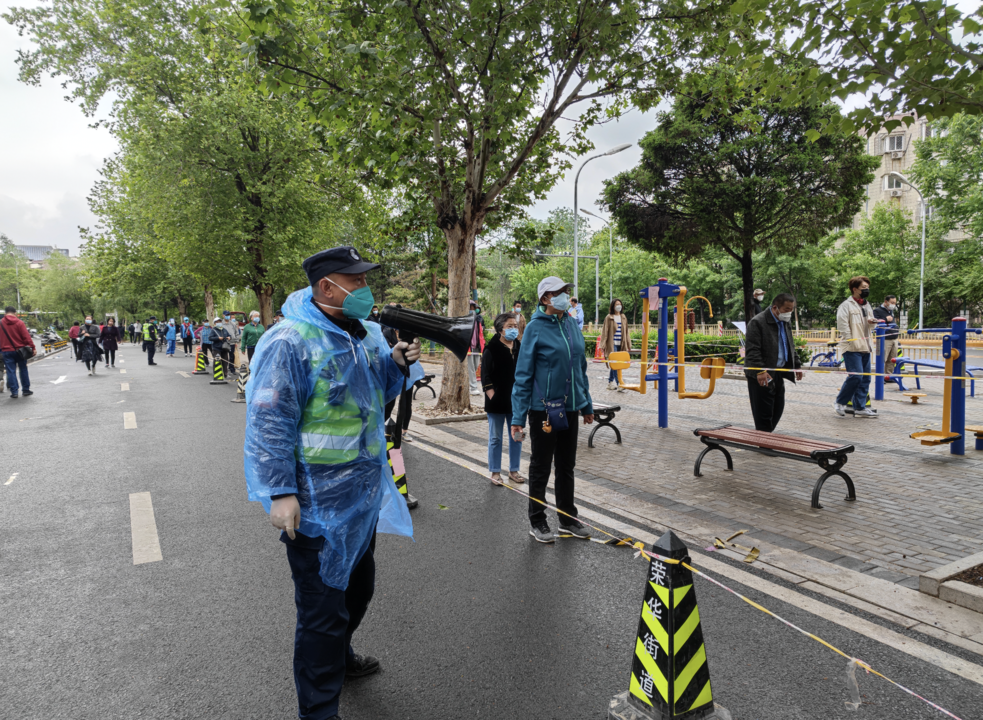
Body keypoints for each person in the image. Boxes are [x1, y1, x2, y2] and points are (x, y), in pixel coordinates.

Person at [243, 245, 422, 720]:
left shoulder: (362, 336)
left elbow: (371, 398)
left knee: (357, 591)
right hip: (315, 505)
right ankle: (319, 711)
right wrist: (280, 491)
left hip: (359, 499)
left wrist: (395, 364)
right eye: (357, 281)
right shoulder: (291, 340)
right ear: (327, 286)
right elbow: (270, 422)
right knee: (322, 614)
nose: (366, 290)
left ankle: (340, 660)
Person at [511, 276, 594, 543]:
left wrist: (585, 404)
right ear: (546, 298)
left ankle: (568, 519)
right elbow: (523, 376)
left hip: (569, 407)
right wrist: (517, 418)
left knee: (566, 466)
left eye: (567, 291)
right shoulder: (535, 328)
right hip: (544, 410)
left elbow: (580, 368)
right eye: (560, 292)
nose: (566, 296)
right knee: (541, 466)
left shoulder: (571, 324)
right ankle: (537, 520)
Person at [743, 293, 803, 432]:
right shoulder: (758, 322)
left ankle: (766, 437)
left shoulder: (785, 322)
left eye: (791, 309)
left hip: (777, 372)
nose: (789, 313)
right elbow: (753, 351)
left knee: (778, 406)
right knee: (764, 410)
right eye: (787, 309)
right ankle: (764, 441)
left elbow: (790, 345)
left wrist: (797, 365)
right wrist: (760, 371)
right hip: (762, 373)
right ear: (775, 308)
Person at [482, 312, 524, 485]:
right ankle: (495, 472)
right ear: (500, 329)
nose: (514, 329)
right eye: (509, 326)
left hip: (517, 402)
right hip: (497, 403)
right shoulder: (491, 348)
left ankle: (514, 470)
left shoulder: (519, 347)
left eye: (515, 326)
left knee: (518, 436)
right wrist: (493, 397)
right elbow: (485, 376)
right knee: (495, 438)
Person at [834, 276, 879, 418]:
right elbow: (842, 325)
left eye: (867, 288)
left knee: (865, 378)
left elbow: (871, 325)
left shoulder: (866, 304)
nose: (866, 290)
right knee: (856, 376)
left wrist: (873, 322)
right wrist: (851, 340)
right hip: (852, 347)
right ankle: (840, 402)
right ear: (855, 289)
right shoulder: (846, 305)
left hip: (866, 346)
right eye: (863, 288)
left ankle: (860, 407)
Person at [599, 298, 632, 391]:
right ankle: (619, 384)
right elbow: (605, 332)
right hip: (612, 344)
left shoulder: (623, 317)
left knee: (617, 364)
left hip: (621, 343)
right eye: (617, 304)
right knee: (616, 363)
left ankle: (610, 382)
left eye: (620, 304)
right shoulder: (609, 317)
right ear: (613, 306)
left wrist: (628, 344)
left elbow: (626, 332)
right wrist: (602, 345)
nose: (619, 306)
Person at [1, 306, 33, 398]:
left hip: (6, 351)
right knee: (23, 369)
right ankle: (26, 390)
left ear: (5, 313)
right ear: (15, 313)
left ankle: (14, 392)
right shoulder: (20, 323)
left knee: (10, 371)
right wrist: (32, 347)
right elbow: (26, 337)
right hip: (20, 351)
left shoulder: (1, 323)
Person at [872, 295, 900, 374]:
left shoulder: (890, 311)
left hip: (894, 337)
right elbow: (874, 323)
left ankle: (888, 376)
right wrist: (885, 320)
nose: (893, 304)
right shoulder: (877, 311)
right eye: (892, 303)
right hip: (885, 338)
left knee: (892, 359)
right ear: (886, 302)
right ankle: (880, 377)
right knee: (882, 358)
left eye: (895, 303)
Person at [468, 300, 484, 396]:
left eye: (473, 308)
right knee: (471, 368)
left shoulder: (478, 319)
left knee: (475, 366)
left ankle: (470, 384)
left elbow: (481, 334)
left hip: (477, 347)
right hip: (469, 348)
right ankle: (473, 387)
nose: (472, 310)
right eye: (470, 308)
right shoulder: (465, 319)